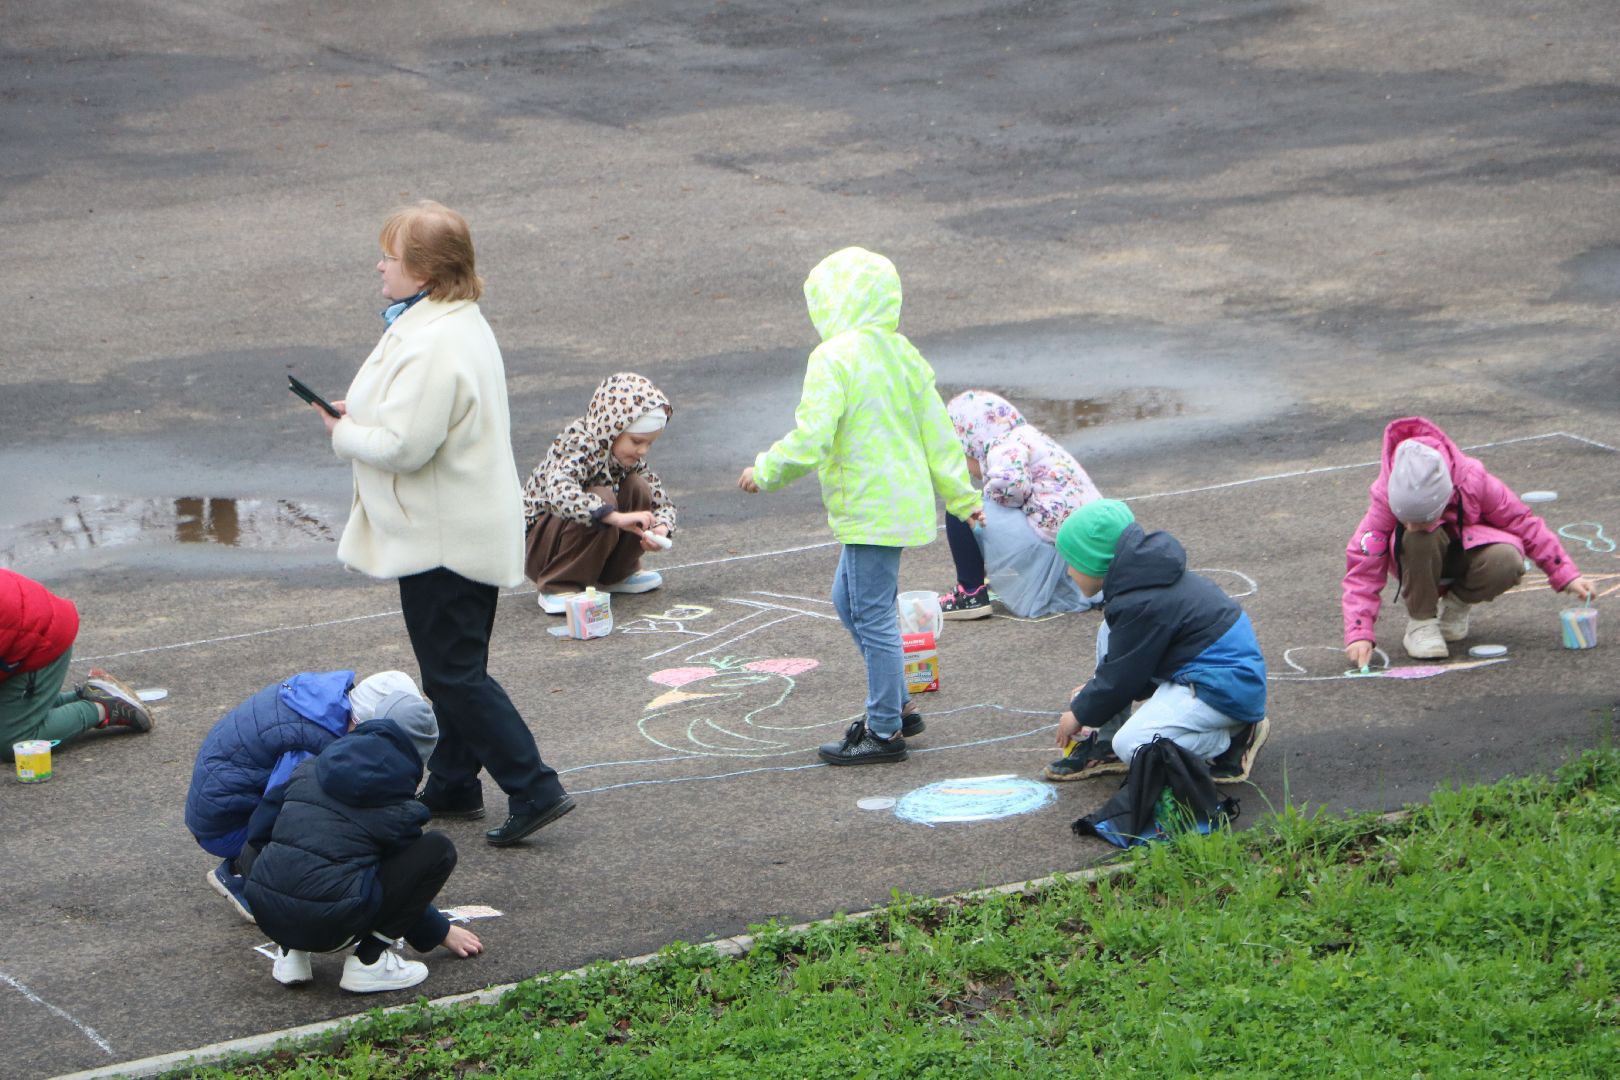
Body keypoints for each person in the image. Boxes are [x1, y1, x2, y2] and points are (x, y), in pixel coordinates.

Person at [309, 200, 572, 847]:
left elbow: (405, 446)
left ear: (423, 270)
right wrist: (363, 412)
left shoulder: (434, 341)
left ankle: (534, 786)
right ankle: (455, 781)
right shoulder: (446, 320)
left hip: (442, 536)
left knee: (455, 673)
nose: (379, 265)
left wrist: (345, 434)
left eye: (391, 257)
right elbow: (411, 415)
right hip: (458, 526)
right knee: (452, 665)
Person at [738, 247, 983, 765]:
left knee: (871, 614)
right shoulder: (902, 352)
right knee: (848, 601)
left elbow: (812, 438)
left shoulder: (833, 357)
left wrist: (765, 470)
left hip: (872, 506)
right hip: (891, 503)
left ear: (831, 302)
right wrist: (961, 495)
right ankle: (896, 705)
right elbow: (939, 432)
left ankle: (885, 728)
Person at [243, 691, 483, 993]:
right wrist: (440, 931)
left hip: (269, 915)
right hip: (334, 926)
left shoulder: (308, 768)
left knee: (268, 843)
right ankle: (368, 962)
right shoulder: (399, 807)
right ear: (421, 753)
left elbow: (256, 834)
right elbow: (400, 886)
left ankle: (291, 952)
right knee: (437, 850)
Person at [1046, 500, 1270, 784]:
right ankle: (1106, 741)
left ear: (1094, 560)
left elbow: (1122, 678)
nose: (1068, 572)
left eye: (1073, 563)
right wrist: (1095, 695)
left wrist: (1079, 714)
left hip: (1225, 688)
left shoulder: (1139, 601)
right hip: (1208, 673)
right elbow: (1129, 665)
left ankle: (1232, 738)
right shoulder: (1143, 580)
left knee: (1134, 746)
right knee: (1109, 630)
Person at [1343, 416, 1594, 664]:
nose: (1409, 525)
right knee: (1418, 538)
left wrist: (1565, 573)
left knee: (1507, 560)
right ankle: (1422, 623)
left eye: (1422, 519)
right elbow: (1364, 564)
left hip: (1465, 551)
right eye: (1404, 518)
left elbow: (1524, 523)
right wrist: (1359, 632)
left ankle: (1457, 605)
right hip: (1419, 564)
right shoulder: (1385, 494)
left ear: (1445, 499)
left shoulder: (1472, 480)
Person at [185, 669, 421, 922]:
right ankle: (242, 874)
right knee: (324, 821)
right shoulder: (312, 741)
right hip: (224, 826)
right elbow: (284, 810)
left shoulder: (320, 702)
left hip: (223, 798)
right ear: (362, 722)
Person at [937, 389, 1104, 619]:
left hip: (1051, 549)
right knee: (999, 511)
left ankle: (970, 593)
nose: (966, 468)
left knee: (962, 507)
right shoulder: (1028, 436)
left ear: (971, 442)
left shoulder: (1002, 447)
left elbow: (1012, 487)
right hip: (1082, 548)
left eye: (961, 456)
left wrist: (983, 499)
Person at [521, 373, 677, 613]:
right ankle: (559, 584)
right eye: (636, 441)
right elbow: (559, 492)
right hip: (542, 547)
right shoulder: (581, 443)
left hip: (578, 538)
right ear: (614, 429)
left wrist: (661, 528)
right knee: (602, 497)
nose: (643, 450)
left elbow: (661, 502)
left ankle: (617, 575)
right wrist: (614, 517)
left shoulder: (626, 459)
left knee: (638, 487)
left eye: (649, 443)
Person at [1, 568, 152, 761]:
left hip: (41, 640)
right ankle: (86, 695)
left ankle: (104, 707)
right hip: (27, 629)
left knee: (14, 742)